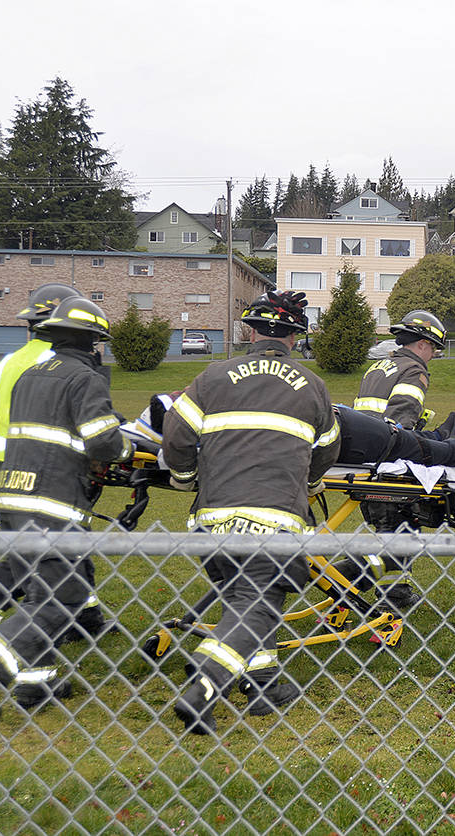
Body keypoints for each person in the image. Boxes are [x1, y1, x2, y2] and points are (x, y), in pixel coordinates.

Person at [0, 297, 131, 720]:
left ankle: (35, 685)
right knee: (62, 596)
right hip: (52, 500)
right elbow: (102, 442)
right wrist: (126, 445)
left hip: (12, 495)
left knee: (26, 583)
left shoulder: (30, 373)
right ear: (90, 341)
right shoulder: (85, 378)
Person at [162, 291, 341, 735]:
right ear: (295, 338)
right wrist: (312, 480)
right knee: (258, 603)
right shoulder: (312, 386)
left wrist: (184, 478)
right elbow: (328, 448)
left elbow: (177, 435)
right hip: (276, 518)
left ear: (249, 331)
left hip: (214, 519)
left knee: (245, 600)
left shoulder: (212, 377)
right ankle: (204, 684)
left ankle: (264, 685)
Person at [343, 310, 452, 611]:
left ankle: (397, 590)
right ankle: (349, 577)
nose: (432, 355)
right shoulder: (414, 370)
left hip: (361, 457)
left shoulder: (379, 365)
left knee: (391, 528)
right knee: (401, 529)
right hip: (388, 460)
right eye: (433, 348)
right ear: (421, 344)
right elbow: (399, 419)